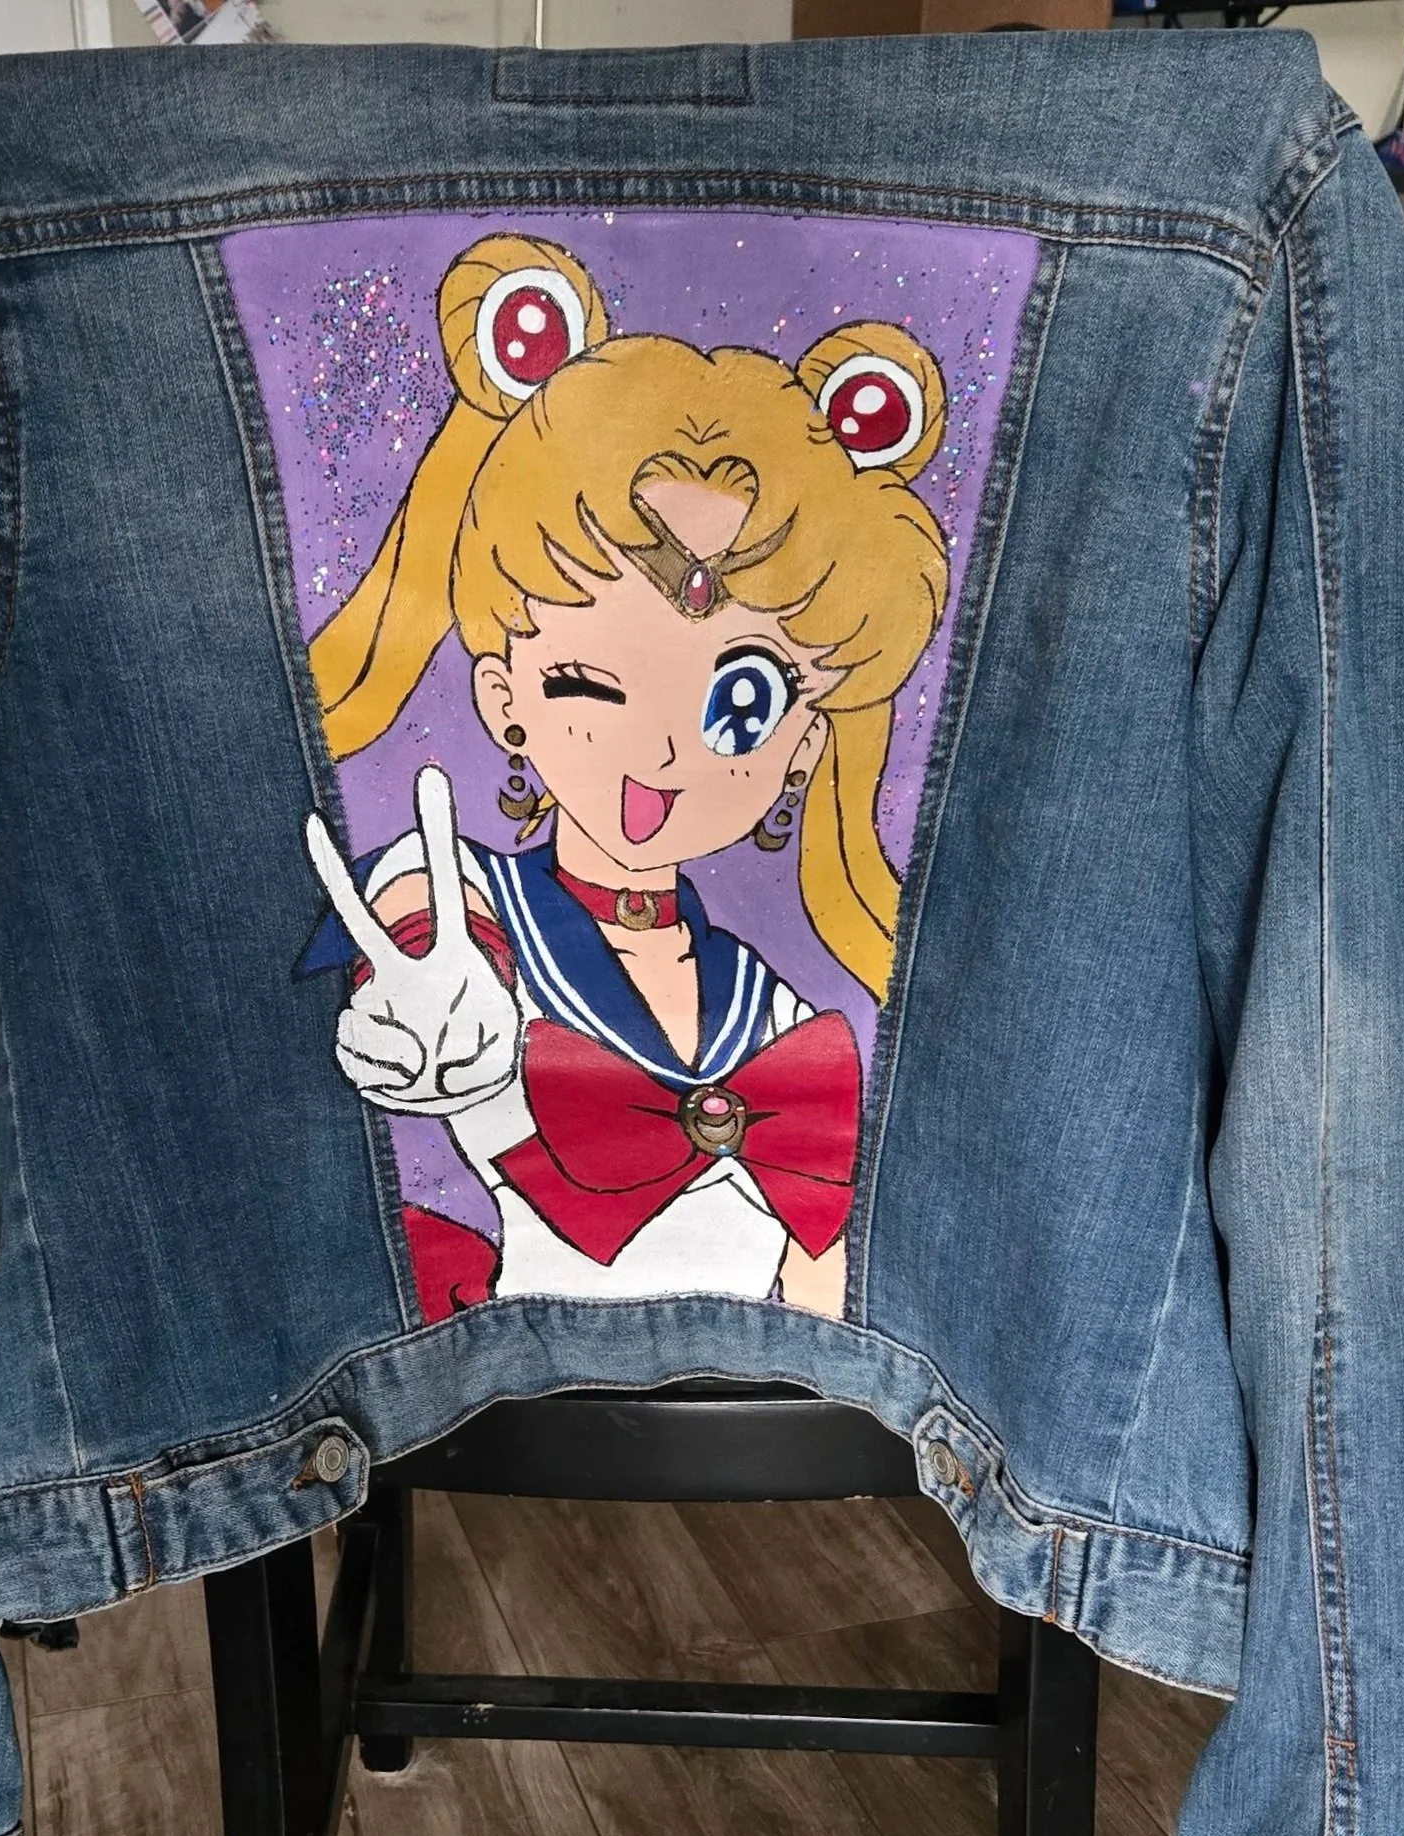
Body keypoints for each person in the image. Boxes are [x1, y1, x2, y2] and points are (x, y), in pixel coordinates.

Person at [300, 231, 951, 1319]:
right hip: (498, 1382)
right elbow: (420, 933)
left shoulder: (770, 1006)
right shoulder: (469, 899)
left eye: (739, 704)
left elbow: (820, 1264)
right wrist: (419, 1011)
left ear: (803, 742)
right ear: (503, 698)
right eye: (588, 685)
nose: (660, 752)